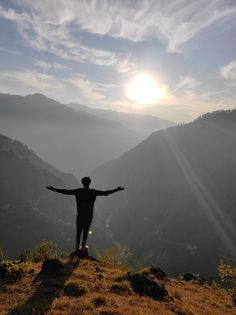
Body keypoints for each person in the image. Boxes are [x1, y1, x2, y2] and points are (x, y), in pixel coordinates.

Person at [46, 177, 124, 254]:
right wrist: (116, 190)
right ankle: (83, 247)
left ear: (82, 182)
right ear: (89, 183)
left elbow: (65, 192)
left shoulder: (78, 191)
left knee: (78, 231)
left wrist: (54, 189)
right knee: (86, 231)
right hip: (89, 215)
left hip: (80, 215)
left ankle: (77, 247)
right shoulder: (93, 192)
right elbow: (105, 193)